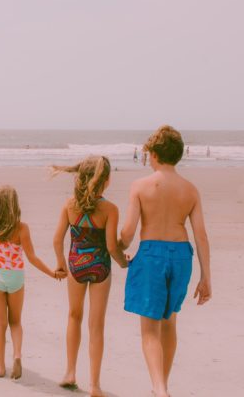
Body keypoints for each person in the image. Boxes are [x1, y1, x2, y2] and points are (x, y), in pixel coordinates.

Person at [117, 126, 212, 397]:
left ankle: (159, 389)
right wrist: (207, 277)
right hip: (182, 254)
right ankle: (162, 385)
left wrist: (116, 247)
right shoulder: (190, 190)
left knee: (149, 328)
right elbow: (201, 236)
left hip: (151, 255)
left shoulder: (141, 186)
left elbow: (127, 234)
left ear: (154, 154)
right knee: (170, 320)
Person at [51, 156, 128, 395]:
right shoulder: (110, 209)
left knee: (74, 316)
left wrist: (61, 264)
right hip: (100, 268)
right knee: (96, 325)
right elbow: (112, 247)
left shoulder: (69, 205)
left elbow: (57, 240)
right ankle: (94, 384)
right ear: (105, 180)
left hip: (76, 265)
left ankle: (70, 372)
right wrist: (123, 263)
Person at [0, 185, 63, 379]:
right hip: (16, 277)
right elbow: (32, 257)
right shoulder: (21, 228)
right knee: (15, 321)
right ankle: (17, 355)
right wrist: (51, 273)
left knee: (0, 324)